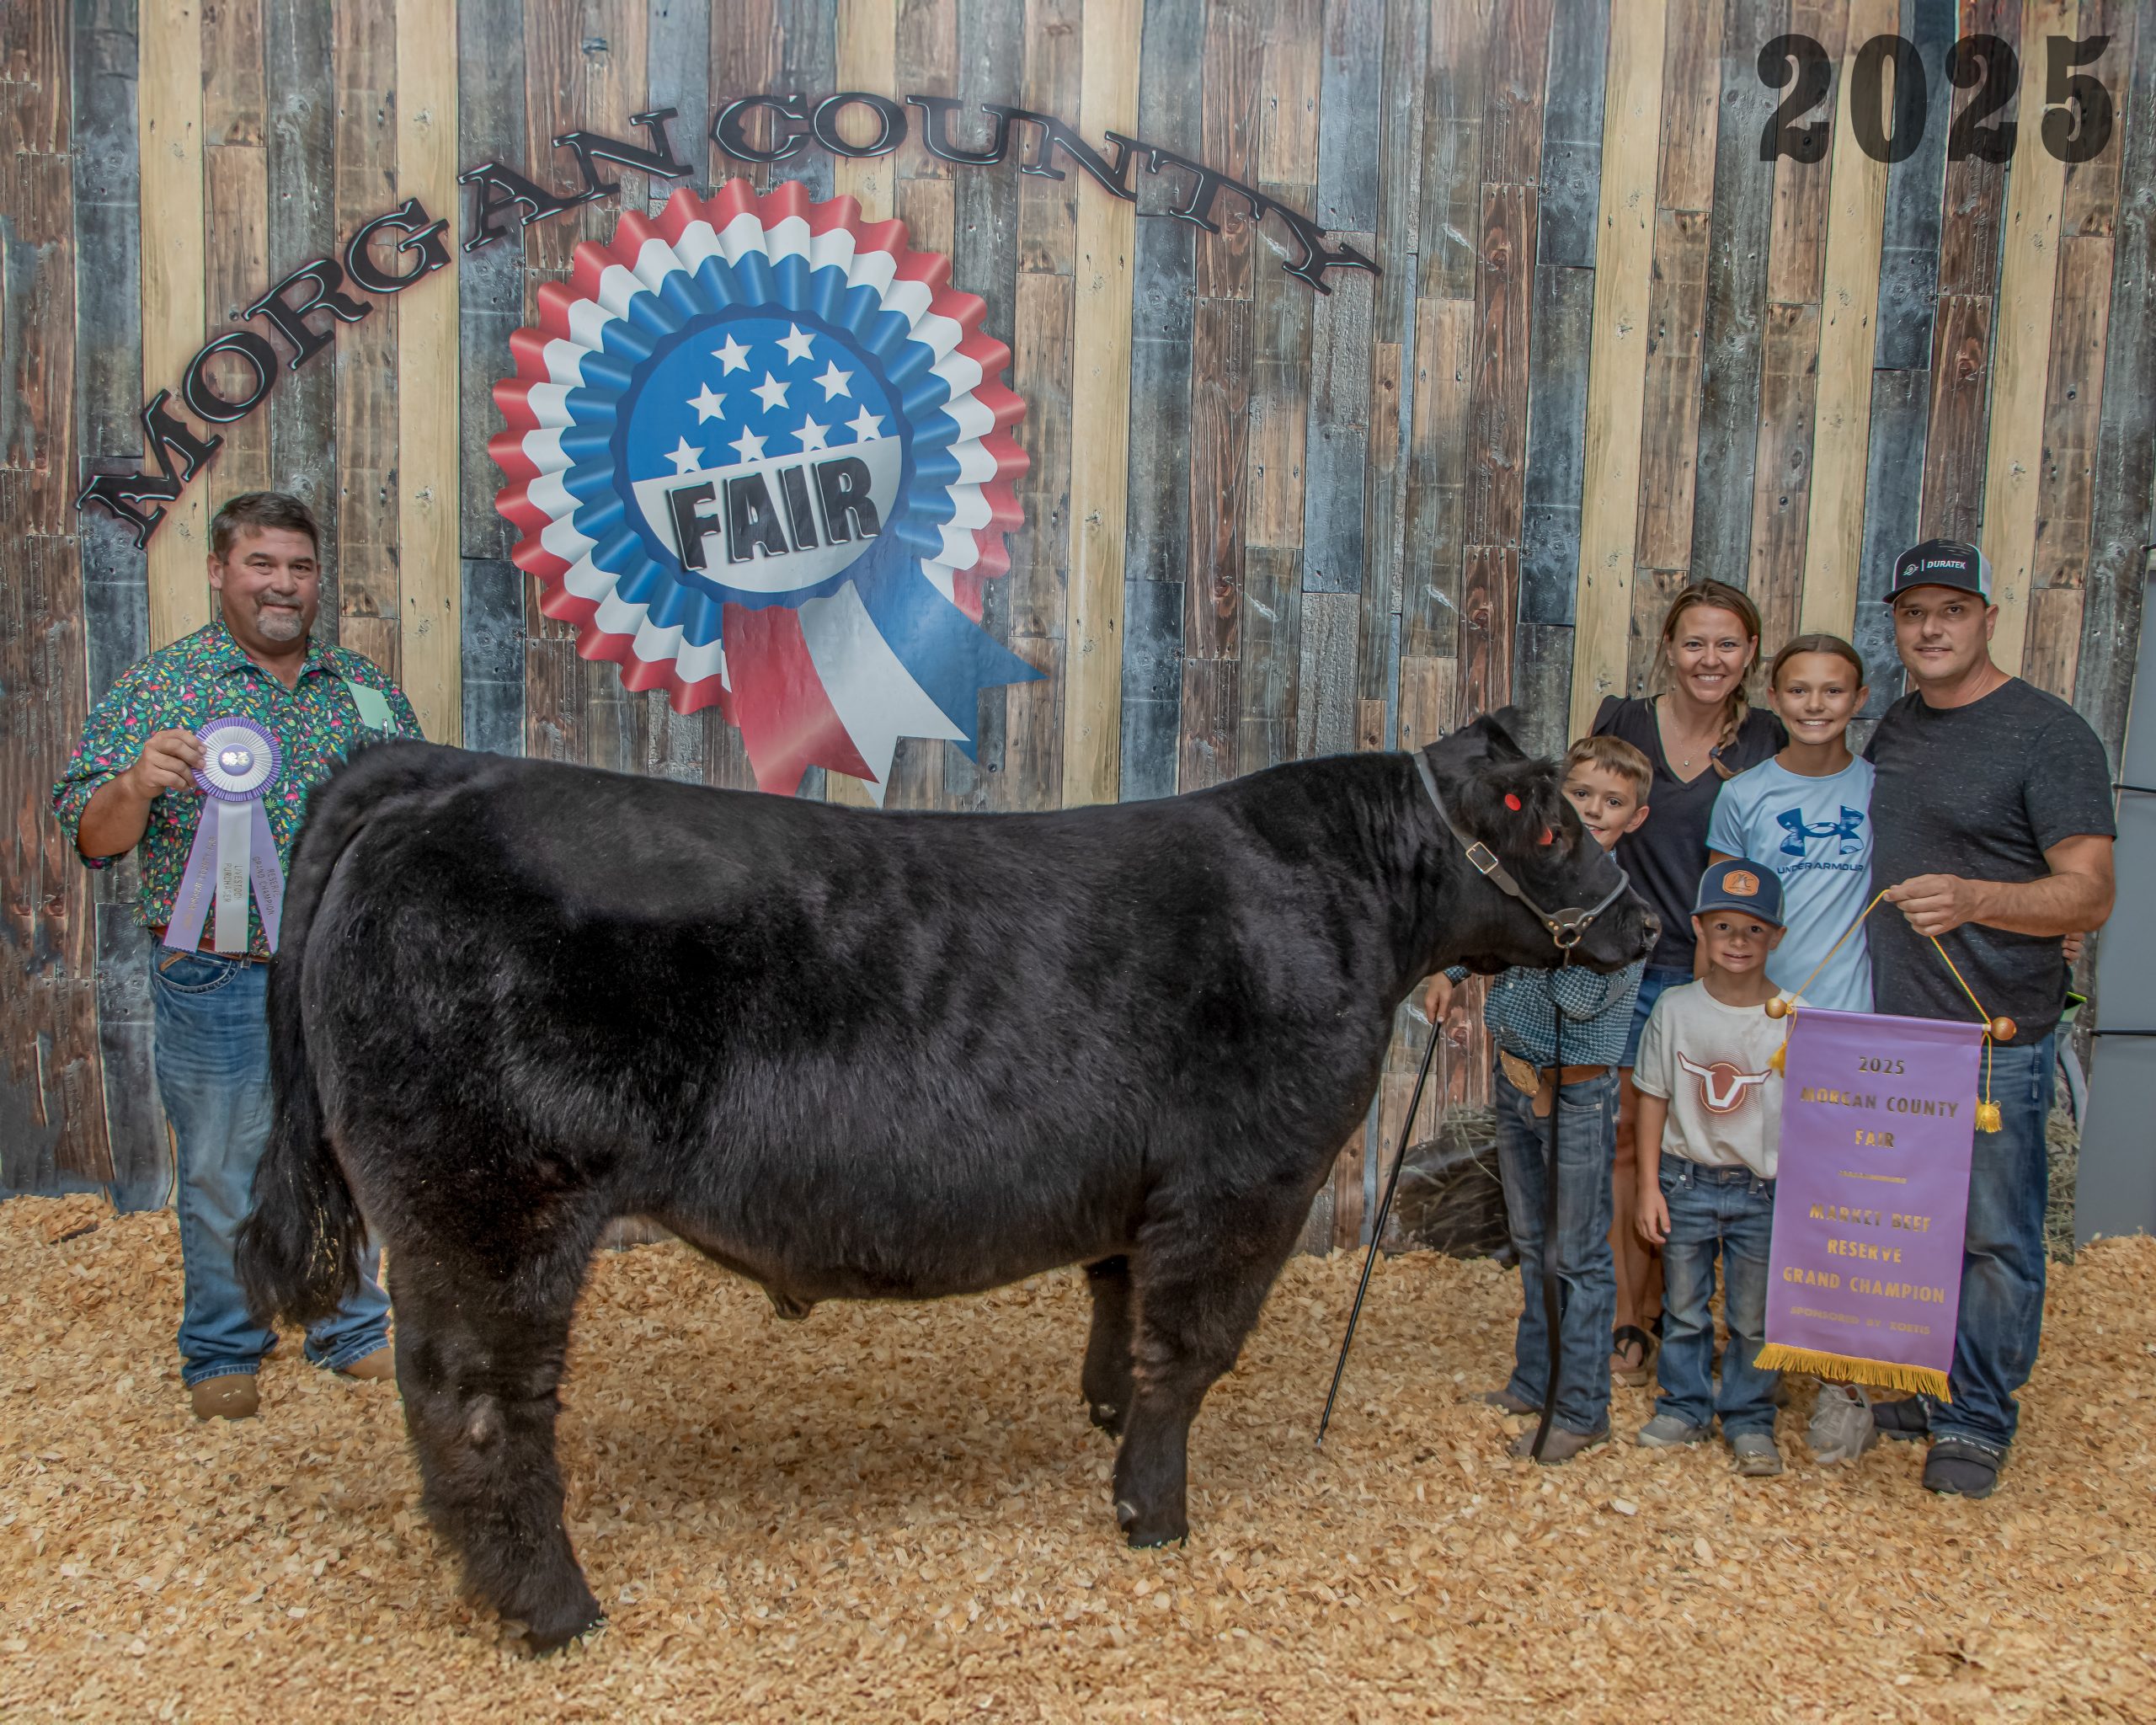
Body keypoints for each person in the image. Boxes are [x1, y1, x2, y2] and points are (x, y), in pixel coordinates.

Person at [51, 492, 424, 1422]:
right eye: (262, 563)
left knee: (346, 1152)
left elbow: (416, 819)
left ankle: (349, 1327)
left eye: (299, 567)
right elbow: (92, 837)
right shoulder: (164, 686)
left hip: (342, 974)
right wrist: (136, 783)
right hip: (216, 971)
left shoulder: (363, 688)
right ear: (219, 571)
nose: (282, 584)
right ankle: (225, 1343)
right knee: (224, 1165)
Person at [1863, 540, 2116, 1498]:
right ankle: (1918, 1384)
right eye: (1913, 613)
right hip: (1892, 1031)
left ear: (1988, 619)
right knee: (1908, 1224)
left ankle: (1976, 1415)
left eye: (1952, 611)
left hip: (1991, 1037)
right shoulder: (1896, 726)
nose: (1931, 629)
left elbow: (2089, 894)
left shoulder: (2050, 735)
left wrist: (1978, 899)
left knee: (1995, 1237)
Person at [1423, 735, 1652, 1463]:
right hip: (1517, 1078)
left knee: (1577, 1254)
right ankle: (1532, 1379)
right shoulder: (1540, 883)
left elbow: (1578, 999)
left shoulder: (1619, 910)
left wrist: (1533, 940)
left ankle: (1582, 1409)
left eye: (1612, 801)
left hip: (1574, 1097)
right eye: (1580, 796)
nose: (1594, 810)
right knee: (1531, 1241)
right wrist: (1452, 970)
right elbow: (1498, 932)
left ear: (1635, 818)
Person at [1593, 580, 1785, 1389]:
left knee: (1705, 1144)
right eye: (1695, 642)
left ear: (1750, 655)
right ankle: (1627, 1320)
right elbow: (1584, 823)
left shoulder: (1768, 737)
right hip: (1624, 965)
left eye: (1727, 644)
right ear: (1669, 648)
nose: (1711, 659)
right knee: (1626, 1143)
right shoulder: (1623, 722)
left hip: (1718, 971)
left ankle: (1697, 1318)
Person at [1705, 633, 1881, 1466]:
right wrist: (1721, 1017)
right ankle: (1753, 1373)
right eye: (1799, 689)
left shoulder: (1881, 788)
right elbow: (1718, 913)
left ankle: (1843, 1385)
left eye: (1833, 690)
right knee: (1753, 1206)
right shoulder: (1744, 794)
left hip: (1851, 1025)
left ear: (1859, 700)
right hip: (1763, 1024)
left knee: (1841, 1214)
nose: (1816, 705)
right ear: (1773, 698)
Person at [1630, 860, 1790, 1477]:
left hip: (1763, 1188)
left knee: (1754, 1316)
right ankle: (1684, 1406)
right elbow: (1652, 1098)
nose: (1738, 941)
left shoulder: (1795, 1016)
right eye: (1723, 926)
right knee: (1685, 1307)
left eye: (1754, 929)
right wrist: (1649, 1186)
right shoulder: (1676, 1009)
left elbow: (1815, 1111)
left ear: (1777, 936)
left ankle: (1749, 1418)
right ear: (1698, 929)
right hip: (1686, 1179)